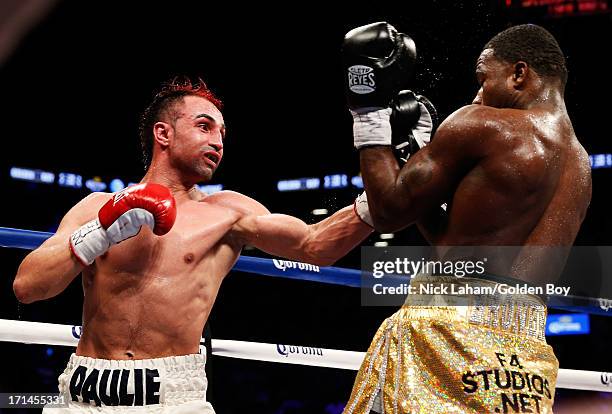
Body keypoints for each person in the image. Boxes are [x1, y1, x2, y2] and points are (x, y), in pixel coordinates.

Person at [12, 78, 374, 413]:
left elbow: (315, 245)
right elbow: (27, 288)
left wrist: (383, 195)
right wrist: (100, 231)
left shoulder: (229, 213)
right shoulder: (95, 207)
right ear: (163, 133)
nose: (218, 141)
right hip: (84, 392)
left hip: (173, 395)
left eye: (222, 133)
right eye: (204, 126)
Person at [344, 23, 592, 413]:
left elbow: (389, 212)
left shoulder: (483, 124)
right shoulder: (580, 166)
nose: (478, 94)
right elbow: (454, 247)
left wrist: (368, 110)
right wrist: (419, 152)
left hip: (445, 330)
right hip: (522, 361)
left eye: (482, 78)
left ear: (519, 73)